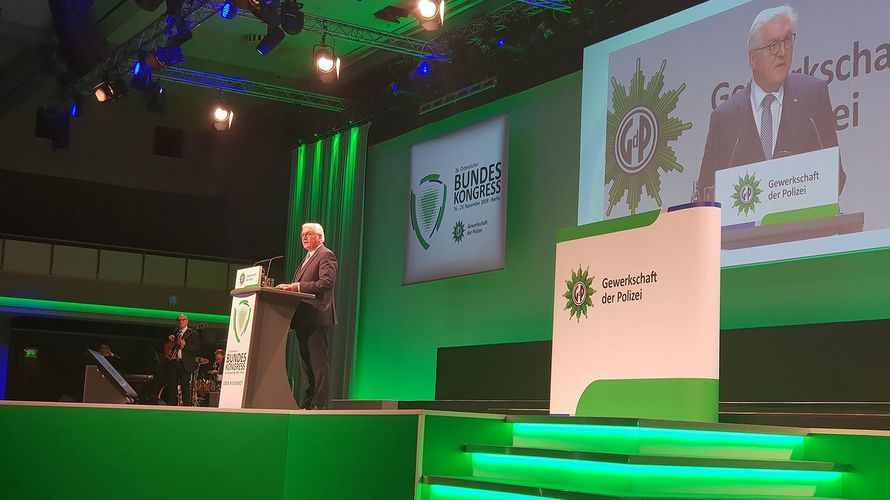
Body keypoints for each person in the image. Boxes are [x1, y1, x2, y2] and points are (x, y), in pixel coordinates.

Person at [697, 5, 846, 198]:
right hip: (743, 228)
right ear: (753, 60)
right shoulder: (724, 117)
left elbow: (835, 175)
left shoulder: (813, 95)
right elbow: (706, 191)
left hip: (805, 226)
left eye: (787, 41)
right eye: (773, 45)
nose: (782, 52)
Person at [276, 222, 338, 410]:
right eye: (302, 234)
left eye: (308, 234)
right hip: (303, 318)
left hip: (317, 315)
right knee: (306, 366)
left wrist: (297, 287)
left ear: (320, 237)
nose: (304, 237)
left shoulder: (326, 254)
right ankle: (308, 402)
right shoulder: (307, 258)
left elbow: (327, 282)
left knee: (318, 365)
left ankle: (319, 405)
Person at [163, 313, 201, 406]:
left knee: (185, 387)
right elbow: (172, 347)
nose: (181, 321)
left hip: (185, 364)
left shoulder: (193, 333)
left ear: (187, 321)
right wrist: (170, 341)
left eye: (183, 319)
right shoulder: (176, 332)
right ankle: (171, 407)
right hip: (173, 363)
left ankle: (186, 408)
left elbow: (196, 349)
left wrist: (185, 345)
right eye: (179, 320)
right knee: (172, 387)